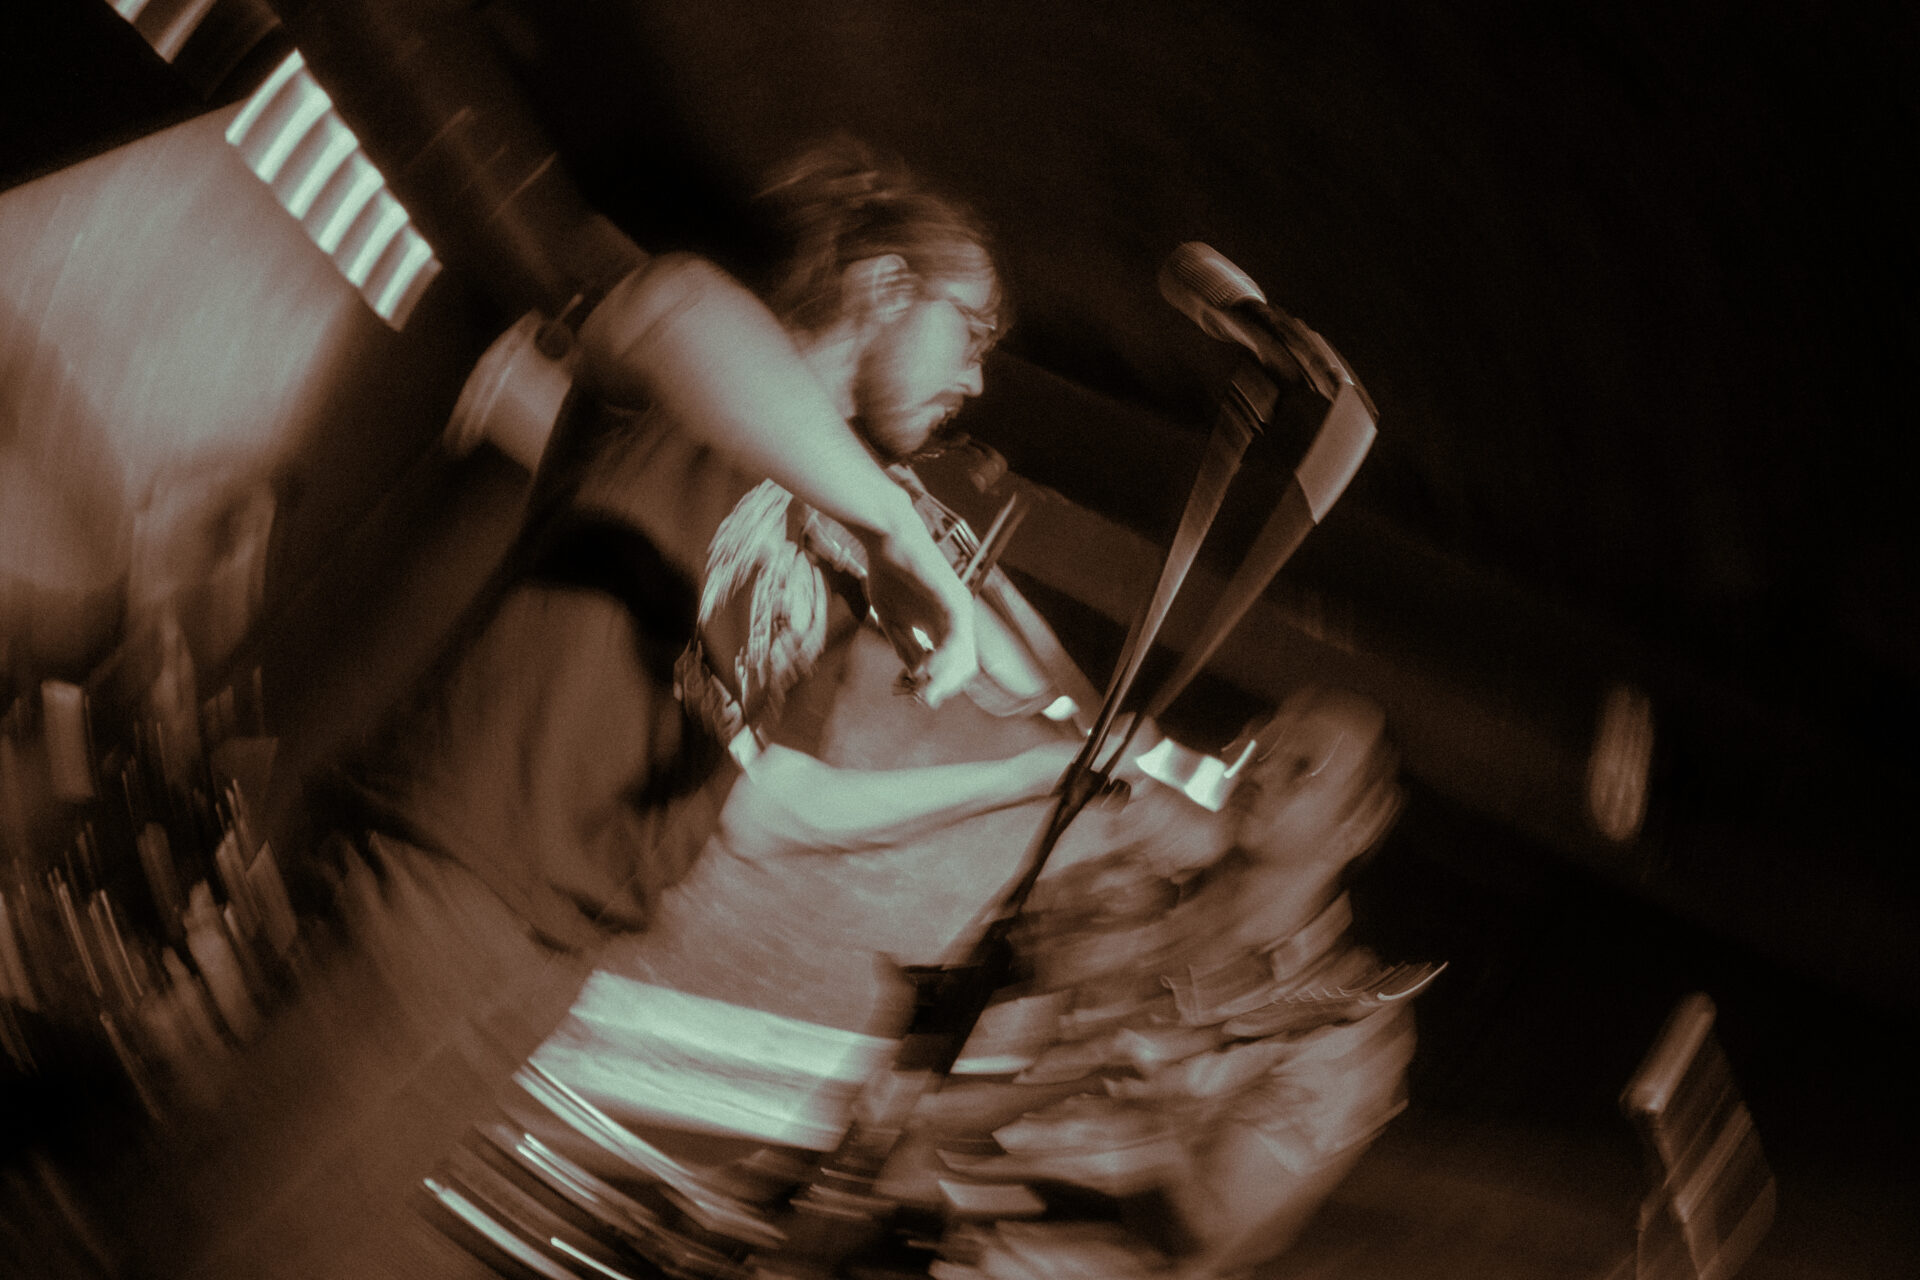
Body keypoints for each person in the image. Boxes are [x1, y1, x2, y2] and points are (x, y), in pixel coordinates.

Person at [126, 138, 1017, 1279]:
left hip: (549, 953)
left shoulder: (841, 558)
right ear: (887, 286)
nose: (976, 380)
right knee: (221, 1243)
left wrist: (1021, 773)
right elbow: (672, 308)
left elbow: (770, 804)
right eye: (973, 332)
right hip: (456, 868)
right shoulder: (713, 393)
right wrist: (896, 527)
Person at [914, 687, 1440, 1280]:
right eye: (1265, 747)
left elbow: (1209, 1235)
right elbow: (961, 1026)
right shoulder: (1132, 892)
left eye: (1304, 768)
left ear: (1360, 823)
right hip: (939, 1227)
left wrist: (1145, 1106)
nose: (1262, 771)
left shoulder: (1347, 1028)